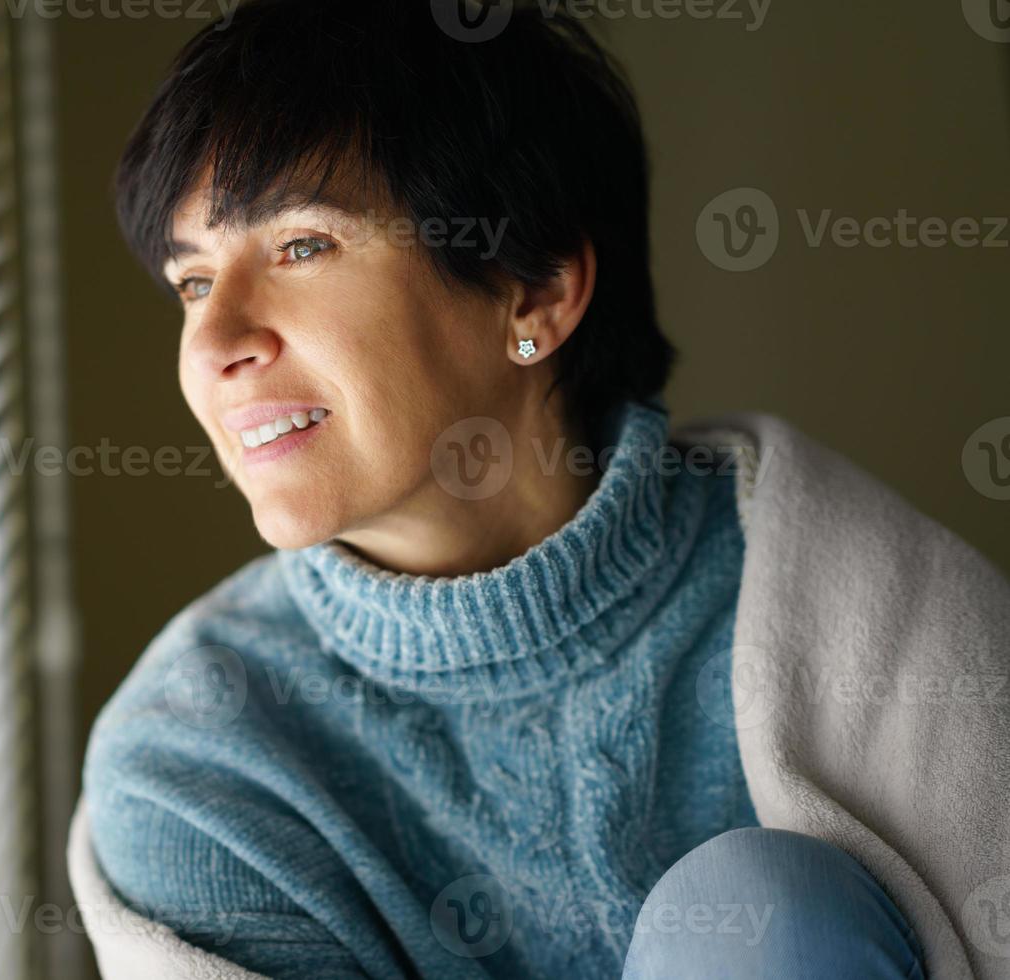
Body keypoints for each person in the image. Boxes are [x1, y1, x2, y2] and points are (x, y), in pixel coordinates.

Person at [74, 2, 1007, 977]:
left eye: (302, 245)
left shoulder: (860, 605)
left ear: (536, 289)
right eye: (191, 281)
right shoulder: (198, 758)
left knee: (756, 910)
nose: (216, 342)